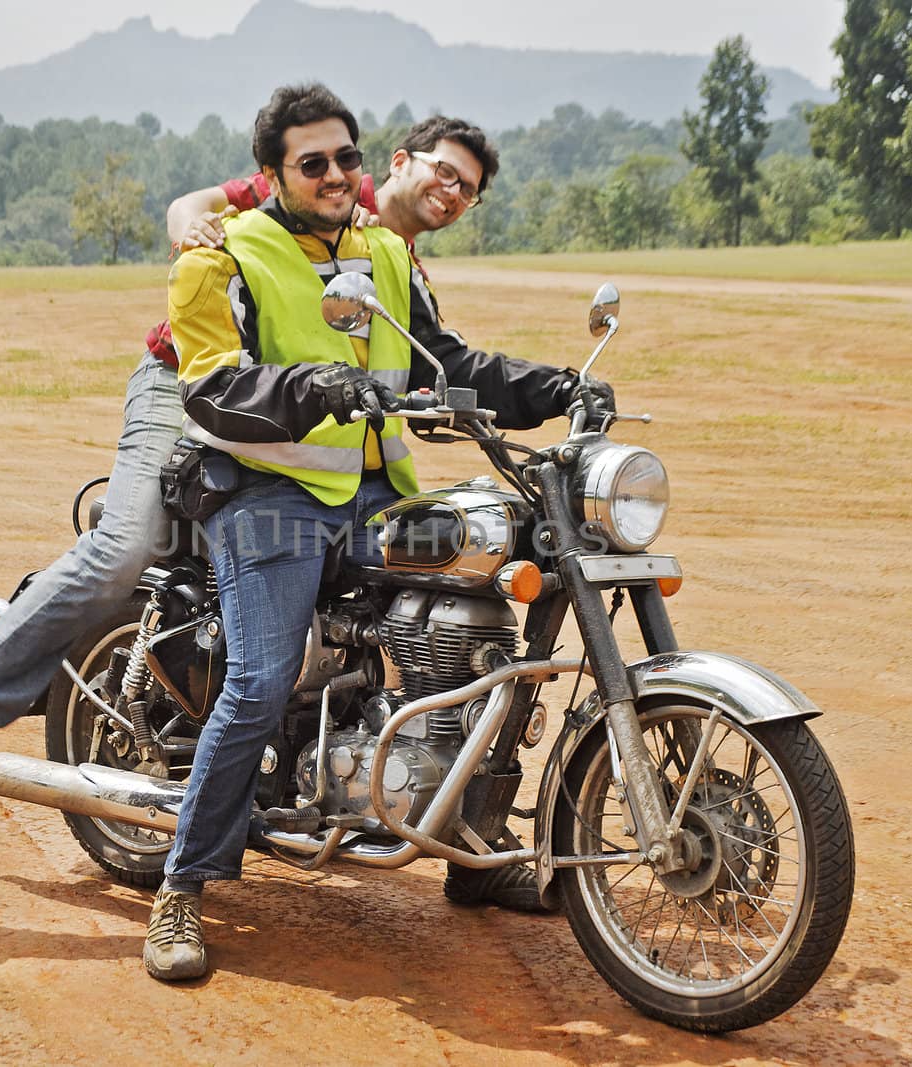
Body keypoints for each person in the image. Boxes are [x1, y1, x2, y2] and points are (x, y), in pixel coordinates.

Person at [0, 113, 541, 830]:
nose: (451, 193)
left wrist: (539, 394)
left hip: (300, 436)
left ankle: (438, 800)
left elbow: (433, 367)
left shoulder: (393, 261)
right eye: (444, 172)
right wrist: (193, 227)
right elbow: (193, 208)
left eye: (468, 190)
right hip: (186, 383)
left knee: (419, 566)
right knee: (124, 548)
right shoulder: (310, 186)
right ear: (399, 162)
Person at [145, 83, 605, 982]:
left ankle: (473, 842)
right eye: (311, 162)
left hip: (370, 500)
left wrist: (556, 387)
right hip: (264, 497)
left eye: (345, 157)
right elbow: (209, 387)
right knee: (260, 677)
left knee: (488, 613)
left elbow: (450, 362)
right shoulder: (224, 258)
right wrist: (311, 386)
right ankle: (181, 888)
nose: (333, 174)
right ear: (273, 173)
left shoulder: (384, 252)